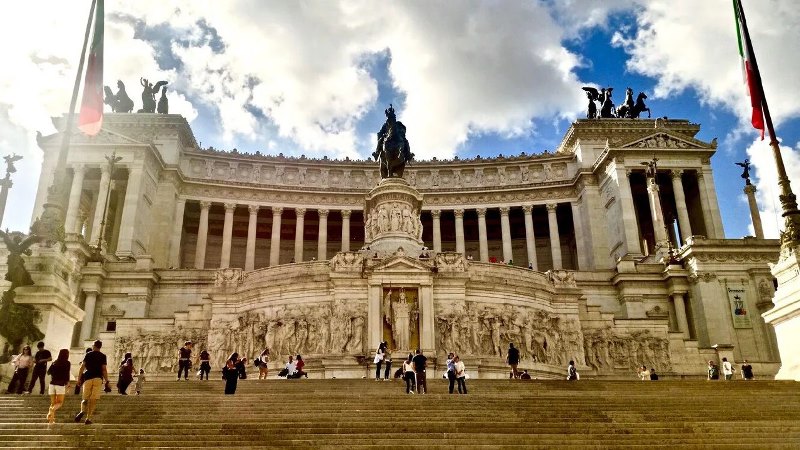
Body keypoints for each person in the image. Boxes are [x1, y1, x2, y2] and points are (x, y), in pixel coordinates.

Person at [74, 340, 110, 425]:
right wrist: (107, 380)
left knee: (85, 398)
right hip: (98, 378)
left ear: (93, 345)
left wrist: (79, 379)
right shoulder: (103, 356)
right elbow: (104, 369)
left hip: (88, 378)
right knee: (93, 399)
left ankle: (82, 411)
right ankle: (88, 418)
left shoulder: (88, 354)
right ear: (100, 346)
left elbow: (82, 367)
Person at [45, 349, 70, 424]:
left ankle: (51, 420)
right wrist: (68, 383)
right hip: (60, 384)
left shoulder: (55, 362)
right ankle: (52, 410)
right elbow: (67, 373)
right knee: (59, 403)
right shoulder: (67, 363)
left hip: (52, 384)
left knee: (53, 403)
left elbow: (48, 372)